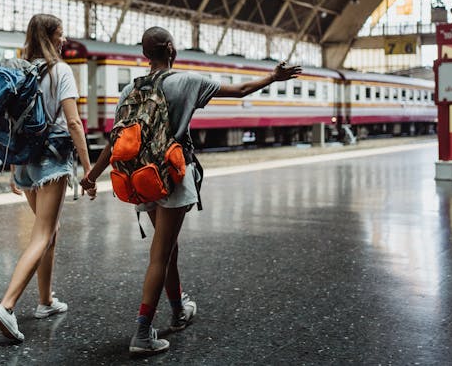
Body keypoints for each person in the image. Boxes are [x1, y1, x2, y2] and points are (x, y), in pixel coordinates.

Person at [80, 26, 302, 357]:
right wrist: (273, 76)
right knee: (161, 253)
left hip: (141, 177)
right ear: (170, 49)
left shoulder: (129, 90)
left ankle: (179, 309)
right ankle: (142, 333)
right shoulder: (187, 81)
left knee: (168, 249)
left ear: (145, 54)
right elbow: (241, 90)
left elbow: (117, 140)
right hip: (171, 174)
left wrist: (91, 176)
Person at [0, 14, 95, 342]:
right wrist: (89, 168)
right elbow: (74, 122)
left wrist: (12, 167)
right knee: (43, 233)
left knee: (50, 231)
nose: (64, 41)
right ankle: (7, 307)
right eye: (61, 35)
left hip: (24, 161)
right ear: (50, 38)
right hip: (51, 159)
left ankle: (46, 301)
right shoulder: (61, 71)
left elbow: (10, 122)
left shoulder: (20, 69)